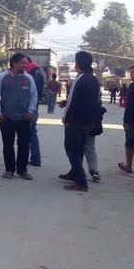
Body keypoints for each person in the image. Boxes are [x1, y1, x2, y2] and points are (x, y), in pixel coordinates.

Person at [57, 51, 101, 192]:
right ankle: (74, 173)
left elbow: (73, 100)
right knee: (79, 148)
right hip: (88, 120)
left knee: (72, 149)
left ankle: (81, 182)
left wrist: (66, 117)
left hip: (77, 120)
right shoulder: (93, 79)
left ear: (78, 64)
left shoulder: (80, 79)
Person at [0, 53, 37, 180]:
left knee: (24, 145)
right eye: (23, 62)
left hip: (24, 118)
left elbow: (34, 95)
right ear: (14, 63)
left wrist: (31, 111)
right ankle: (9, 170)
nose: (25, 65)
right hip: (7, 118)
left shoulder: (29, 78)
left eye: (26, 62)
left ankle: (22, 170)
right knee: (8, 145)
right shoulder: (2, 77)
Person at [25, 57, 46, 167]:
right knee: (30, 132)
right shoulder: (37, 71)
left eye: (24, 62)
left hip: (31, 108)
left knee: (31, 132)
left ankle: (35, 159)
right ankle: (34, 158)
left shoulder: (35, 73)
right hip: (33, 106)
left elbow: (34, 93)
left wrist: (30, 108)